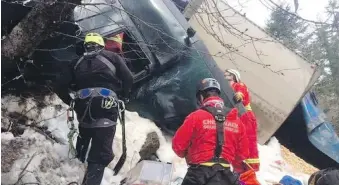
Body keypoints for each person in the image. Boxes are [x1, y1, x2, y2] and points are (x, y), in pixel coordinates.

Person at [52, 32, 134, 185]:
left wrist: (70, 101)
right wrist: (124, 96)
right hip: (107, 104)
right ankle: (91, 180)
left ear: (86, 46)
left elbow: (58, 85)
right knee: (101, 147)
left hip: (83, 105)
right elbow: (128, 78)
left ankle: (78, 163)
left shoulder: (76, 62)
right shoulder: (113, 57)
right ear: (102, 45)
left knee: (85, 131)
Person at [172, 78, 250, 185]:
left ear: (201, 97)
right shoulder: (237, 122)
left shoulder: (196, 116)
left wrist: (190, 155)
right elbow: (242, 154)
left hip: (199, 174)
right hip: (225, 177)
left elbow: (178, 145)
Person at [224, 69, 260, 172]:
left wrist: (239, 95)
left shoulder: (239, 85)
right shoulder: (227, 86)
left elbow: (241, 91)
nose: (226, 76)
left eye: (229, 74)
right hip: (237, 117)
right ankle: (238, 167)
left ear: (234, 76)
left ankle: (250, 168)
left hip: (246, 116)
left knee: (248, 142)